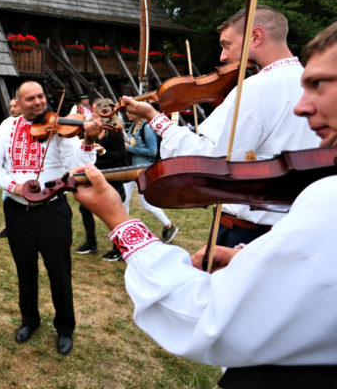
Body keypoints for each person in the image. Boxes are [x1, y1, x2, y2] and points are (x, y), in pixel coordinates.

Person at [70, 22, 337, 387]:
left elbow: (208, 318)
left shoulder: (258, 89)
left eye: (319, 84)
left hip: (247, 229)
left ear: (255, 37)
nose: (302, 107)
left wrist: (120, 219)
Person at [123, 5, 319, 247]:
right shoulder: (314, 83)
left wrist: (157, 120)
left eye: (227, 45)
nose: (222, 57)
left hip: (248, 234)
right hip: (299, 231)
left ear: (255, 37)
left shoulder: (256, 87)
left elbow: (210, 160)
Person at [0, 81, 100, 355]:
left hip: (52, 209)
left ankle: (65, 327)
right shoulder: (8, 127)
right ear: (19, 103)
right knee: (25, 270)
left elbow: (77, 167)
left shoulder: (61, 129)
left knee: (59, 270)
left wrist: (89, 139)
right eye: (30, 99)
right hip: (17, 210)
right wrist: (14, 186)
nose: (37, 102)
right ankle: (29, 320)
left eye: (40, 97)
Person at [74, 98, 128, 261]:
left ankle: (118, 250)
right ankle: (91, 243)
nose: (92, 116)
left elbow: (120, 157)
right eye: (93, 112)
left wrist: (103, 152)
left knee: (112, 215)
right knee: (85, 209)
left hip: (112, 181)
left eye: (96, 112)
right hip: (95, 179)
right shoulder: (94, 132)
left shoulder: (114, 133)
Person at [123, 109, 178, 243]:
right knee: (123, 199)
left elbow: (153, 151)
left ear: (138, 113)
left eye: (130, 111)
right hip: (130, 168)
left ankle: (169, 226)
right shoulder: (133, 126)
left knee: (147, 204)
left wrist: (129, 148)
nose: (127, 114)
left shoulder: (147, 128)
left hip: (142, 170)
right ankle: (123, 228)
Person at [0, 96, 23, 239]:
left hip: (22, 177)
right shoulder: (8, 124)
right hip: (9, 174)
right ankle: (9, 228)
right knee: (7, 201)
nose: (12, 109)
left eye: (15, 106)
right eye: (10, 106)